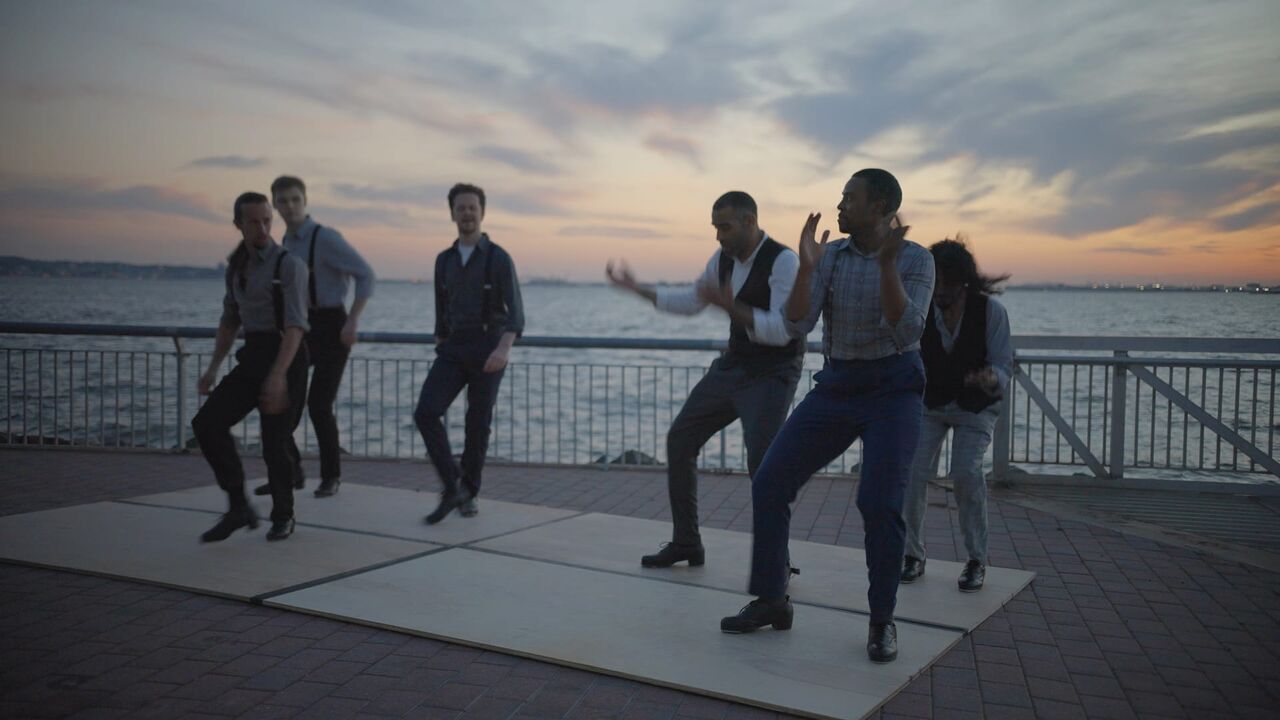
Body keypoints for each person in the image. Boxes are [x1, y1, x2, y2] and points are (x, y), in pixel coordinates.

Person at [719, 169, 935, 665]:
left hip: (894, 390)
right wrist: (806, 268)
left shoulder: (916, 259)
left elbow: (907, 332)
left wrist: (886, 266)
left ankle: (882, 620)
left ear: (879, 207)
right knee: (770, 482)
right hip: (837, 386)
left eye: (849, 199)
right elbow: (797, 322)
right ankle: (773, 599)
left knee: (879, 503)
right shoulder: (831, 255)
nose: (839, 206)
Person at [606, 191, 803, 569]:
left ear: (749, 221)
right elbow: (691, 301)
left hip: (772, 374)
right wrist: (638, 290)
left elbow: (784, 331)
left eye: (725, 227)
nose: (718, 236)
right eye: (715, 228)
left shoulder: (784, 262)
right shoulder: (721, 259)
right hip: (733, 366)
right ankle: (687, 543)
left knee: (763, 466)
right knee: (680, 439)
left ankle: (776, 560)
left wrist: (732, 307)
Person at [192, 191, 310, 542]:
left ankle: (283, 516)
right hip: (254, 353)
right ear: (238, 224)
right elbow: (230, 320)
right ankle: (238, 505)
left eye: (267, 221)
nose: (262, 228)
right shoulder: (235, 267)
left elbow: (295, 326)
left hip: (287, 355)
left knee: (275, 440)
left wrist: (278, 376)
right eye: (253, 222)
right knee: (207, 424)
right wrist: (213, 368)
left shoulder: (289, 265)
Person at [250, 175, 375, 499]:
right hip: (301, 326)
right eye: (283, 201)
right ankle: (290, 472)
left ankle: (331, 476)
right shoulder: (286, 242)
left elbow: (366, 274)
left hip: (333, 325)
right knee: (278, 399)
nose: (290, 206)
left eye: (295, 199)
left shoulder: (326, 237)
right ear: (275, 205)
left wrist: (353, 320)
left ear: (305, 201)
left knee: (319, 405)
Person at [901, 238, 1013, 592]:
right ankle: (912, 554)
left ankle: (976, 559)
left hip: (976, 407)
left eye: (947, 284)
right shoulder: (920, 310)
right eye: (935, 283)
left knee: (965, 473)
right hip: (931, 404)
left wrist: (991, 377)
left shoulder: (991, 313)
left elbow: (1004, 365)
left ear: (964, 282)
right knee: (912, 472)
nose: (939, 292)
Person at [414, 183, 524, 524]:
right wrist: (441, 340)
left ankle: (469, 493)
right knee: (426, 412)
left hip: (489, 346)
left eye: (472, 208)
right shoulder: (444, 260)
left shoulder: (498, 257)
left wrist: (503, 350)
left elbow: (516, 314)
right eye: (460, 208)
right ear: (452, 213)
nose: (466, 213)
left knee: (477, 423)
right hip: (454, 347)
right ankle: (453, 486)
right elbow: (440, 307)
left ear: (482, 212)